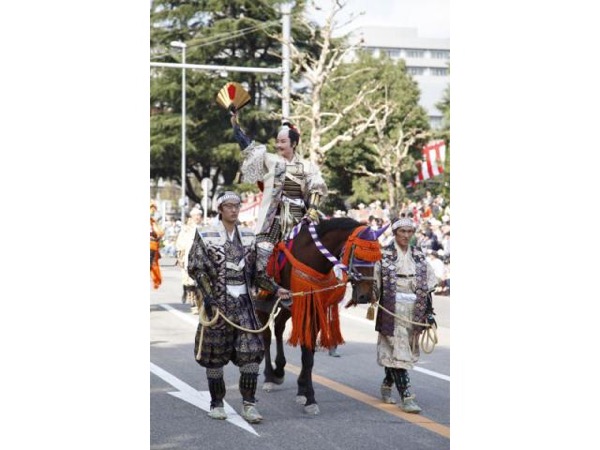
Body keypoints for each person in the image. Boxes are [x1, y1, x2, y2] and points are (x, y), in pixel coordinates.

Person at [187, 191, 267, 424]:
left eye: (237, 205)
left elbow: (257, 273)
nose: (234, 210)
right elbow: (198, 268)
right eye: (229, 206)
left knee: (252, 353)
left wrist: (276, 288)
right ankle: (217, 403)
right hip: (218, 304)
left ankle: (249, 405)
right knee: (214, 357)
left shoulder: (249, 236)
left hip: (244, 305)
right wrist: (208, 296)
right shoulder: (206, 234)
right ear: (220, 209)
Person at [230, 111, 328, 298]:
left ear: (294, 144)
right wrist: (236, 126)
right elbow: (249, 147)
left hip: (301, 219)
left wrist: (313, 210)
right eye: (277, 141)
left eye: (282, 142)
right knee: (261, 252)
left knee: (320, 252)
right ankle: (260, 290)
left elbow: (317, 187)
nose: (277, 145)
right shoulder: (271, 160)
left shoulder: (308, 166)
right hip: (272, 219)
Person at [373, 216, 438, 413]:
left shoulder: (418, 255)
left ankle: (387, 384)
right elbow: (375, 283)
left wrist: (429, 313)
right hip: (392, 309)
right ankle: (407, 397)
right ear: (395, 232)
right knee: (398, 350)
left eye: (410, 232)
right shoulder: (384, 254)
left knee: (403, 350)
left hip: (414, 309)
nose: (406, 235)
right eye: (403, 231)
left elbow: (427, 286)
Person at [175, 207, 203, 313]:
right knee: (190, 282)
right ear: (191, 216)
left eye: (199, 215)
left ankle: (200, 303)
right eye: (195, 215)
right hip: (188, 257)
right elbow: (180, 243)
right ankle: (193, 304)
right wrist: (180, 257)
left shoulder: (205, 228)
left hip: (202, 258)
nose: (197, 217)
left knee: (201, 282)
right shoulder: (186, 229)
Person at [150, 201, 165, 289]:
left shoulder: (152, 222)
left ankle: (156, 281)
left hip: (152, 247)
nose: (152, 212)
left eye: (153, 210)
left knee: (153, 265)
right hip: (151, 246)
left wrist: (159, 236)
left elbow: (159, 233)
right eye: (151, 209)